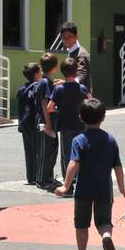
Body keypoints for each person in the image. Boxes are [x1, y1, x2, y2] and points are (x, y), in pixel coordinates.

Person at [55, 98, 125, 250]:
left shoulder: (79, 140)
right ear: (103, 117)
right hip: (104, 188)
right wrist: (123, 189)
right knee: (104, 221)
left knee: (81, 223)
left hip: (84, 188)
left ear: (81, 117)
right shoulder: (110, 140)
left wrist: (66, 185)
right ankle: (106, 237)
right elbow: (117, 166)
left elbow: (74, 163)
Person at [45, 58, 90, 197]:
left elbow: (49, 108)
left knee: (67, 156)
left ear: (62, 72)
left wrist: (60, 109)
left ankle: (68, 186)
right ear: (76, 71)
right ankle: (82, 184)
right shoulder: (82, 88)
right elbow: (91, 102)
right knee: (82, 154)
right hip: (81, 125)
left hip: (65, 125)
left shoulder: (59, 89)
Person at [36, 53, 60, 191]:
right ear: (55, 67)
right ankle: (42, 180)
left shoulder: (48, 82)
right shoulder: (45, 82)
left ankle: (48, 177)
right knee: (45, 151)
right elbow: (45, 103)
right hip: (44, 123)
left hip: (50, 122)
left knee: (52, 150)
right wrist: (48, 122)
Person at [16, 63, 41, 185]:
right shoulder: (37, 87)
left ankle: (31, 177)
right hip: (34, 122)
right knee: (38, 149)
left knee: (29, 150)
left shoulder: (22, 89)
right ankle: (38, 176)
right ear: (36, 74)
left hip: (24, 123)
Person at [57, 22, 91, 92]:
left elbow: (81, 76)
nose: (66, 40)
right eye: (64, 37)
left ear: (76, 36)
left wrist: (65, 82)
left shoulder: (81, 54)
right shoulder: (72, 51)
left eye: (69, 37)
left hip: (82, 99)